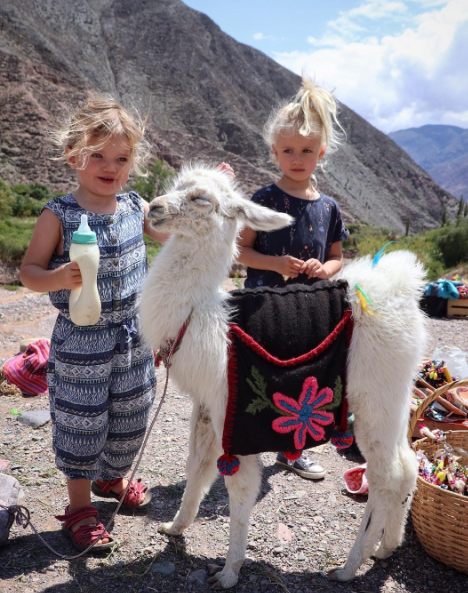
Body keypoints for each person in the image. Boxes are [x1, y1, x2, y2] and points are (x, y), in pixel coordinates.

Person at [20, 93, 169, 552]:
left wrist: (205, 194)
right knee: (81, 422)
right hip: (81, 341)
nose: (111, 166)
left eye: (122, 158)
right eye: (98, 155)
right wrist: (57, 277)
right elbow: (29, 272)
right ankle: (80, 507)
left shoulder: (135, 207)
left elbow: (170, 233)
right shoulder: (59, 214)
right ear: (73, 156)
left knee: (131, 415)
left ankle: (111, 478)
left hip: (133, 335)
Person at [237, 78, 349, 480]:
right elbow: (240, 251)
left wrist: (324, 270)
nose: (297, 159)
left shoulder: (329, 208)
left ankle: (291, 451)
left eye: (306, 151)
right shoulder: (263, 200)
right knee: (261, 374)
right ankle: (250, 444)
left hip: (310, 310)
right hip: (263, 309)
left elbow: (337, 258)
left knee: (303, 376)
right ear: (274, 152)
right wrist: (274, 264)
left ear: (321, 153)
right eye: (288, 150)